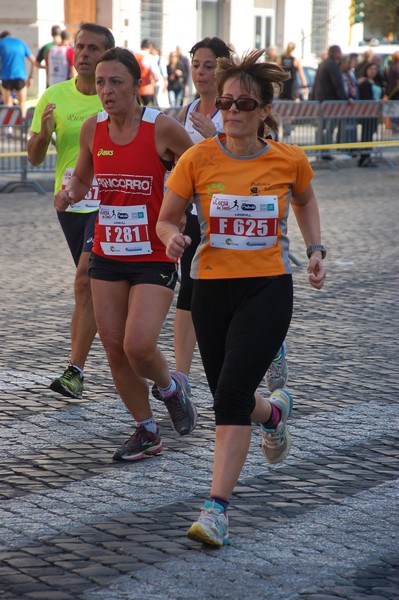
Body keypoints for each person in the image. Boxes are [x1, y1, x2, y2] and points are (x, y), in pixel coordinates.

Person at [157, 48, 327, 547]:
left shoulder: (289, 160)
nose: (230, 112)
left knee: (229, 395)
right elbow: (168, 216)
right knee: (229, 395)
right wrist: (170, 236)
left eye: (243, 104)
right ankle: (273, 414)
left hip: (267, 288)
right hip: (209, 289)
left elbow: (305, 199)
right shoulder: (196, 158)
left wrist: (315, 248)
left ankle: (216, 510)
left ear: (264, 111)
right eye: (226, 103)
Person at [54, 47, 197, 461]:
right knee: (114, 346)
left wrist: (179, 215)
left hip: (153, 251)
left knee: (138, 343)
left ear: (138, 86)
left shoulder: (162, 129)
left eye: (116, 82)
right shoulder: (93, 129)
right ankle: (146, 429)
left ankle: (171, 387)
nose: (106, 90)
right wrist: (69, 195)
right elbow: (83, 178)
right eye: (101, 82)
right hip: (108, 250)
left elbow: (196, 174)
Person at [153, 36, 288, 396]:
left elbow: (264, 151)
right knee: (190, 289)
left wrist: (216, 136)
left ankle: (269, 343)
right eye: (195, 64)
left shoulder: (243, 110)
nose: (200, 72)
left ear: (224, 69)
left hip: (246, 219)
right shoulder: (189, 109)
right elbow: (185, 164)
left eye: (209, 65)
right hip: (200, 215)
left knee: (240, 294)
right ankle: (181, 375)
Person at [27, 23, 116, 399]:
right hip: (71, 204)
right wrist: (45, 132)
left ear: (107, 56)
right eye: (80, 47)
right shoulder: (53, 95)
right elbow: (34, 157)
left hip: (109, 203)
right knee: (95, 288)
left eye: (93, 48)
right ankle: (133, 352)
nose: (83, 54)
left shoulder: (112, 95)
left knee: (84, 278)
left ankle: (75, 371)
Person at [312, 44, 346, 158]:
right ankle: (325, 153)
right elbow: (338, 84)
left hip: (322, 100)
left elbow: (316, 84)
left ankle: (320, 152)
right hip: (330, 102)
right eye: (339, 52)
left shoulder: (323, 64)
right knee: (328, 128)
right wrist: (344, 99)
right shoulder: (332, 65)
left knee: (322, 128)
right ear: (336, 53)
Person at [0, 31, 36, 118]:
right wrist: (31, 77)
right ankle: (23, 128)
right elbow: (33, 61)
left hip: (6, 77)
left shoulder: (1, 43)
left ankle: (9, 129)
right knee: (22, 103)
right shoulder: (20, 43)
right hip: (20, 76)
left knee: (7, 103)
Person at [357, 62, 382, 167]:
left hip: (375, 113)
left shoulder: (376, 82)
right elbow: (367, 98)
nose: (373, 71)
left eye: (375, 69)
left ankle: (367, 157)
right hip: (367, 113)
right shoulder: (364, 83)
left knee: (370, 135)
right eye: (371, 69)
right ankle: (364, 158)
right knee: (366, 136)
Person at [135, 39, 158, 106]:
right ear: (150, 46)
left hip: (135, 90)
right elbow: (156, 77)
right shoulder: (149, 57)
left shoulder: (134, 55)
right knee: (147, 113)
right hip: (147, 89)